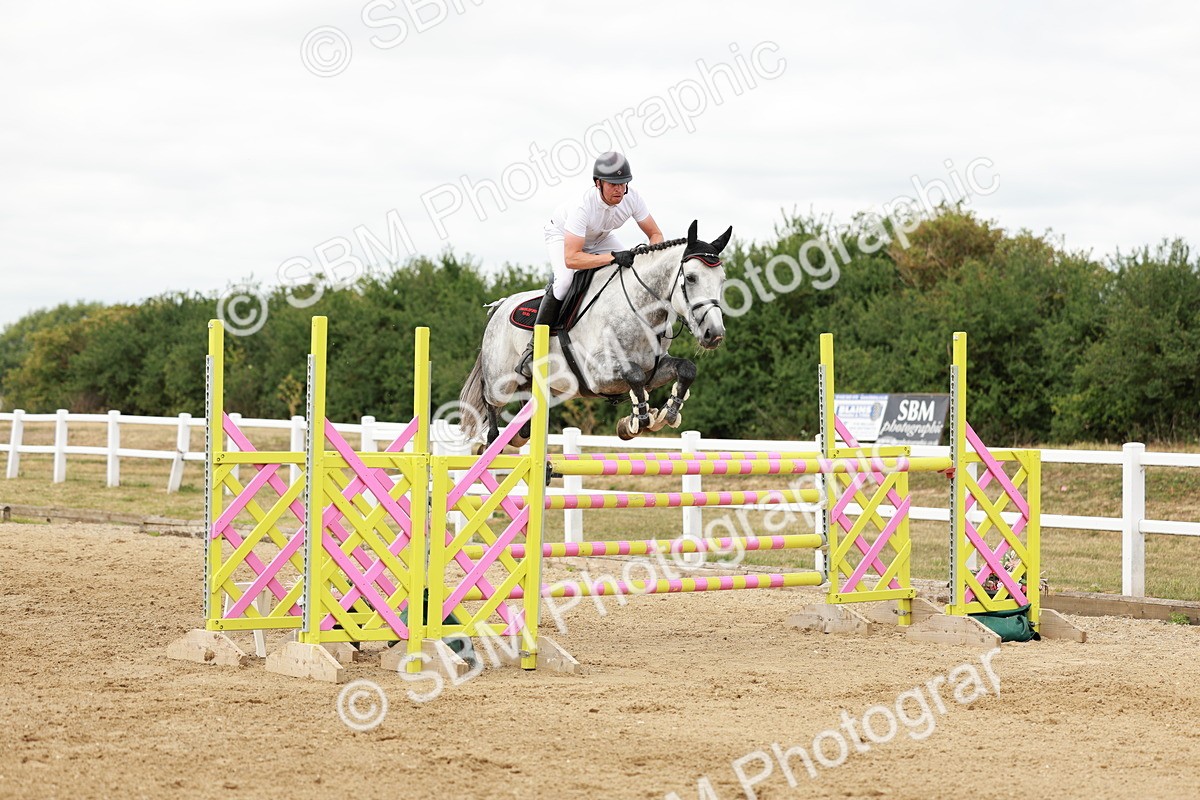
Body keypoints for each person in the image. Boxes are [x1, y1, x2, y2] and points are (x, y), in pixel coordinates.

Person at [516, 151, 664, 378]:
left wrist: (649, 255)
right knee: (564, 281)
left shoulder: (632, 198)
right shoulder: (582, 207)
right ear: (598, 183)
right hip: (562, 236)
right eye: (613, 184)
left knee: (628, 271)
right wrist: (614, 257)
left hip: (600, 238)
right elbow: (573, 258)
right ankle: (534, 347)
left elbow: (655, 234)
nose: (619, 189)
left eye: (623, 183)